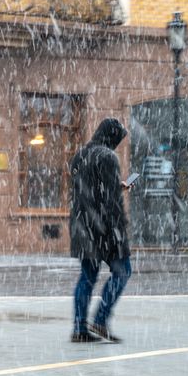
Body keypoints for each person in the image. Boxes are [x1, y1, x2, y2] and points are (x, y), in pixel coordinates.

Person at [69, 118, 133, 343]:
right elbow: (110, 200)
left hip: (81, 225)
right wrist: (119, 228)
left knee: (87, 277)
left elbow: (88, 190)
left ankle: (79, 329)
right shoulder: (107, 157)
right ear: (112, 136)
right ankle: (100, 320)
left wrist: (116, 185)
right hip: (104, 228)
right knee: (123, 271)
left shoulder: (80, 155)